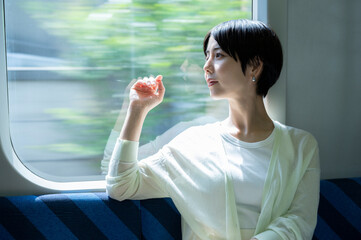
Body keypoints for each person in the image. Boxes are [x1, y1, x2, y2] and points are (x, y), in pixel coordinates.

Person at [106, 19, 320, 240]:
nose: (206, 66)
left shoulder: (301, 145)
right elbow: (121, 185)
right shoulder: (193, 143)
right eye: (206, 56)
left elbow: (299, 222)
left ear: (255, 65)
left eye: (218, 55)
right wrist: (137, 110)